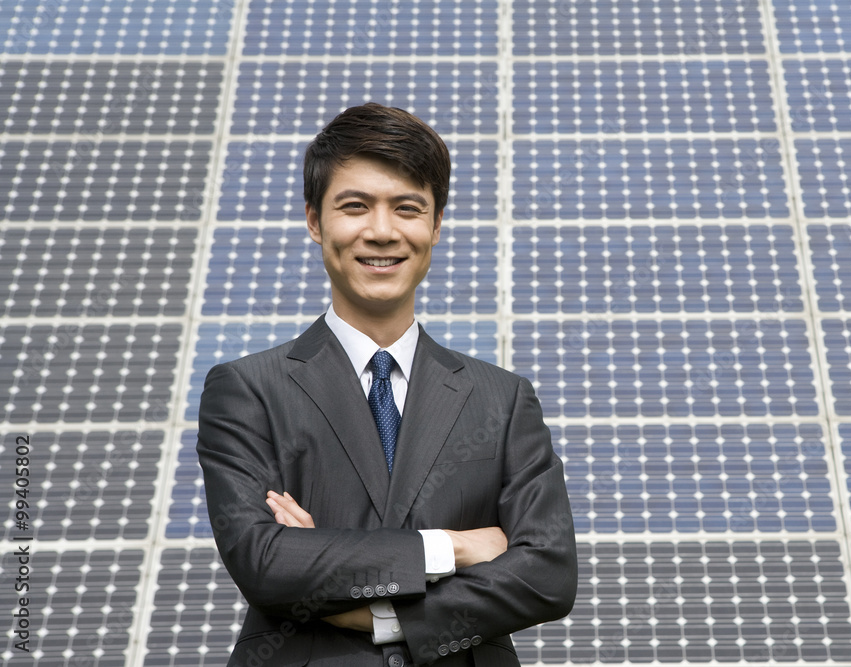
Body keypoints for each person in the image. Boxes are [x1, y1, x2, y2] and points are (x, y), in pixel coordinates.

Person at [197, 102, 578, 667]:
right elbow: (266, 562)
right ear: (313, 220)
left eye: (407, 208)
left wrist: (381, 616)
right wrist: (455, 546)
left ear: (436, 225)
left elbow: (547, 574)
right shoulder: (247, 390)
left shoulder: (502, 399)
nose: (381, 231)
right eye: (354, 207)